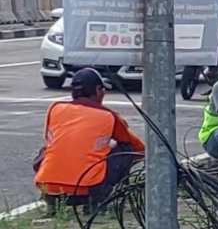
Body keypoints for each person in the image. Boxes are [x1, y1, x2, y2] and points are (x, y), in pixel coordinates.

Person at [34, 68, 145, 208]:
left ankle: (50, 200)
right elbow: (138, 149)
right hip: (86, 190)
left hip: (48, 186)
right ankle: (100, 200)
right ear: (98, 90)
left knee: (48, 150)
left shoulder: (55, 108)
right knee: (125, 149)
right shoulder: (108, 116)